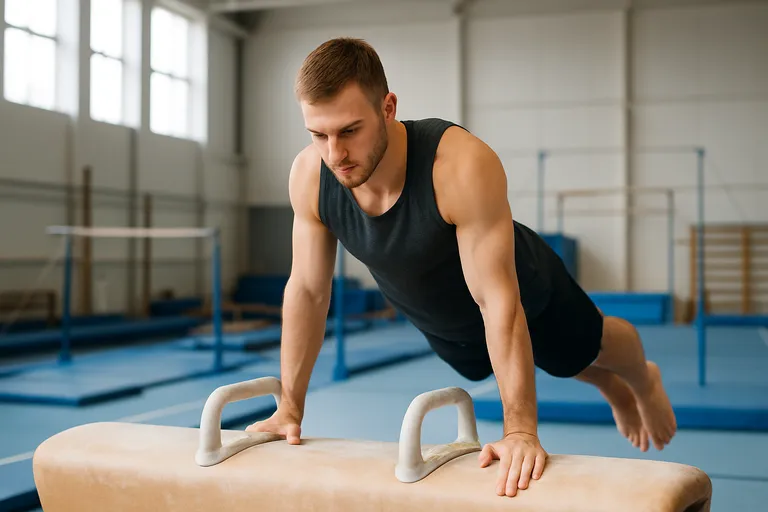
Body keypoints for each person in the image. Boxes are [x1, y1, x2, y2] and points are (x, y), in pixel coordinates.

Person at [247, 37, 677, 498]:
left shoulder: (459, 164)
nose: (334, 154)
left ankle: (638, 378)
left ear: (388, 108)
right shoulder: (310, 175)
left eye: (349, 131)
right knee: (555, 360)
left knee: (592, 344)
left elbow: (497, 300)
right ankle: (607, 384)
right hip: (443, 320)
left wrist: (520, 432)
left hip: (521, 289)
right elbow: (309, 291)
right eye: (318, 134)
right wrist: (290, 406)